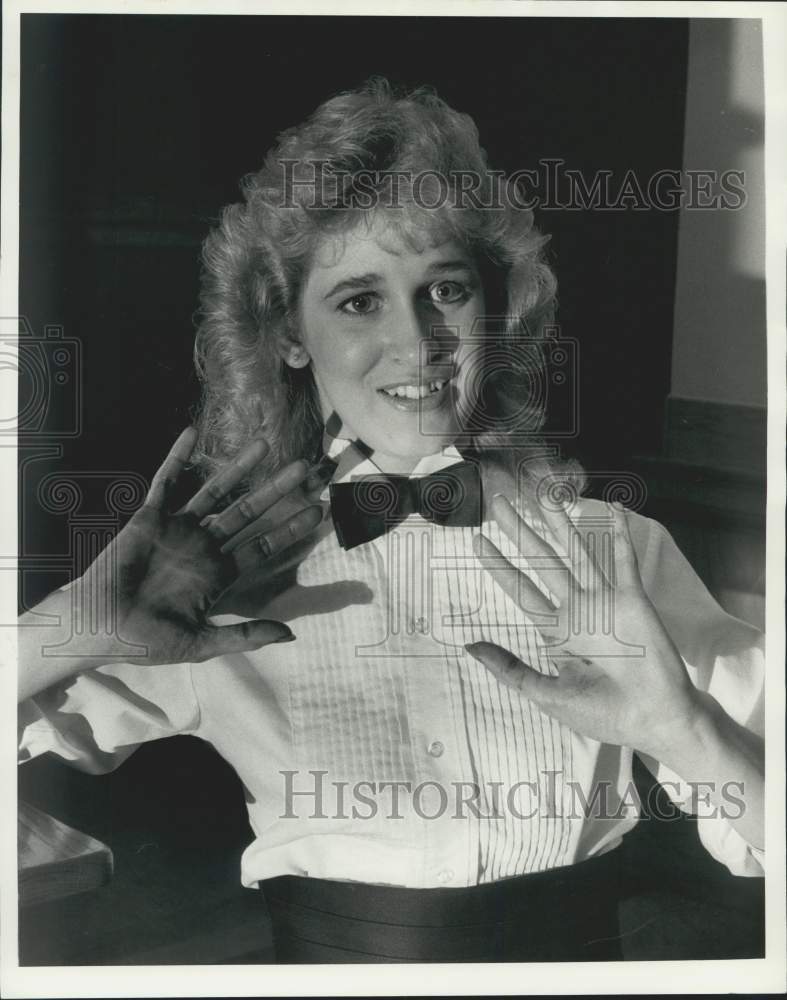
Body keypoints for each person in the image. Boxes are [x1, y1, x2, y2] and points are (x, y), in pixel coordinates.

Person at [18, 79, 764, 963]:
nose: (416, 343)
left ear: (493, 308)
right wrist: (75, 629)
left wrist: (682, 732)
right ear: (288, 334)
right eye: (359, 300)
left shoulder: (615, 550)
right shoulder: (216, 584)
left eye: (445, 290)